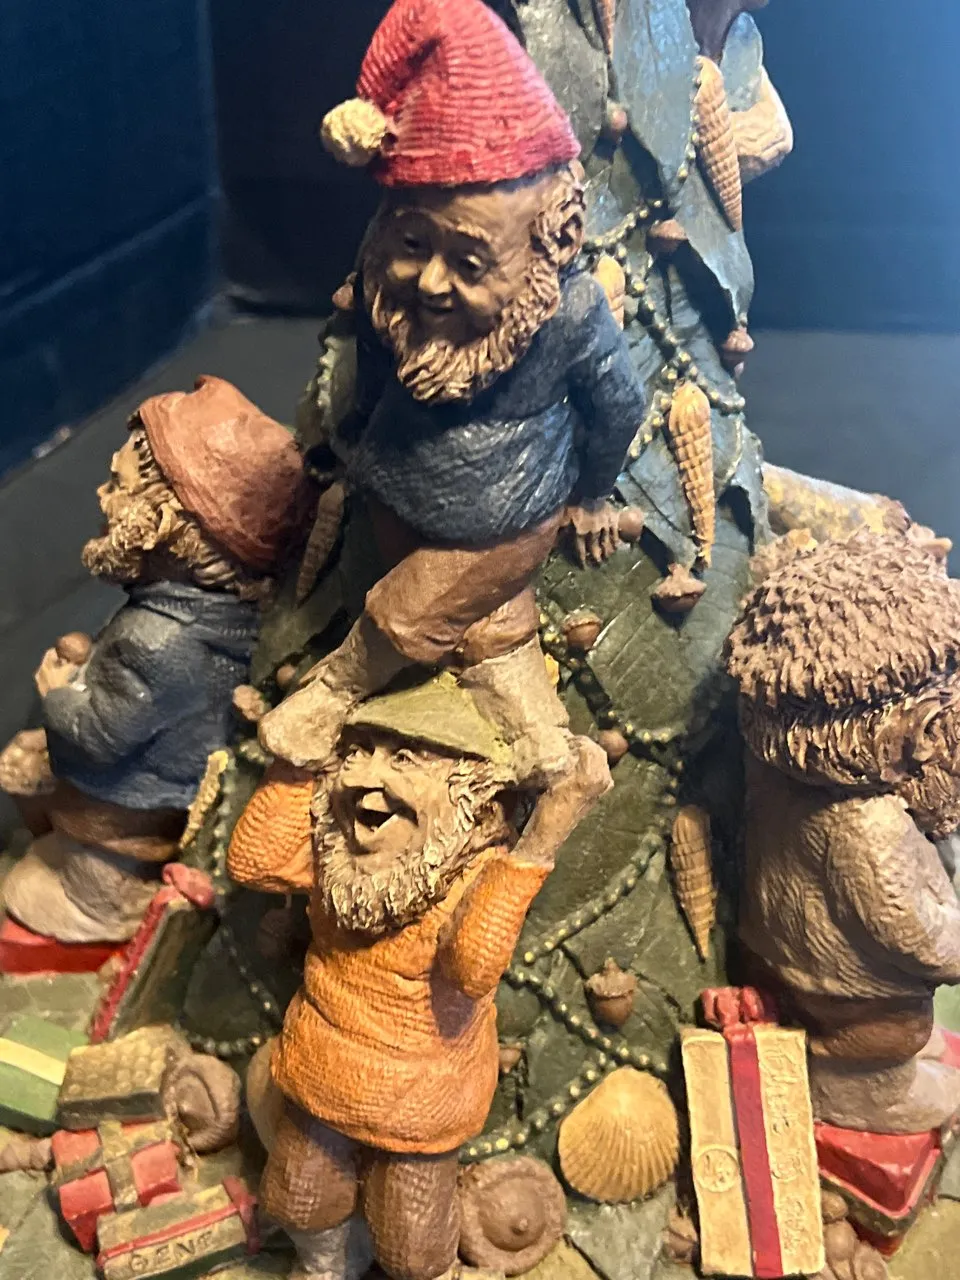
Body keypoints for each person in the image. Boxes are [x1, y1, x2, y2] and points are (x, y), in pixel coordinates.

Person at [259, 0, 648, 785]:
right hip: (398, 479)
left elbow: (620, 404)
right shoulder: (388, 285)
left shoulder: (568, 313)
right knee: (483, 629)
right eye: (413, 243)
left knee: (409, 606)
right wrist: (356, 437)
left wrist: (592, 495)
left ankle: (333, 692)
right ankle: (539, 739)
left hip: (505, 515)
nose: (431, 283)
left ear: (551, 242)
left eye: (471, 264)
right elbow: (374, 365)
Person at [229, 674, 610, 1280]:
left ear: (470, 791)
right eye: (358, 752)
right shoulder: (338, 851)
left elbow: (472, 967)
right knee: (300, 1198)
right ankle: (327, 1267)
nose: (363, 777)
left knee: (411, 1247)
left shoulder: (470, 869)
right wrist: (299, 752)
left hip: (418, 1101)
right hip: (319, 1074)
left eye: (404, 760)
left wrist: (541, 840)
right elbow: (255, 861)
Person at [0, 376, 312, 944]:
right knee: (25, 765)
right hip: (153, 781)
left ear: (170, 525)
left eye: (119, 485)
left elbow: (100, 735)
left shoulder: (158, 639)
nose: (103, 496)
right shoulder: (211, 615)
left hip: (128, 809)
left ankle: (102, 903)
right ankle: (61, 848)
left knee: (25, 885)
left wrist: (58, 690)